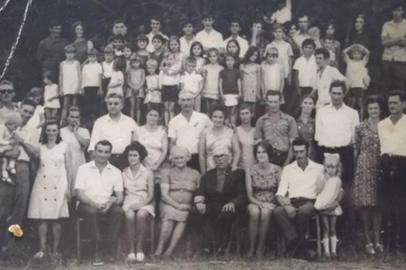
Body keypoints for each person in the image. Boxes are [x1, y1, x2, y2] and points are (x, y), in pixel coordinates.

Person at [27, 121, 72, 261]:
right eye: (49, 130)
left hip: (59, 183)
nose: (52, 133)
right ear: (45, 132)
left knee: (57, 219)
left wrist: (69, 188)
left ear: (58, 131)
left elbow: (69, 169)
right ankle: (42, 249)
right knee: (42, 217)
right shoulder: (40, 147)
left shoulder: (64, 146)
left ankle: (55, 250)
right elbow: (35, 167)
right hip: (42, 183)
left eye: (54, 130)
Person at [75, 140, 124, 265]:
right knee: (93, 212)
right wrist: (95, 205)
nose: (103, 155)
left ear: (110, 154)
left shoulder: (116, 171)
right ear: (94, 152)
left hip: (106, 205)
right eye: (100, 151)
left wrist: (110, 203)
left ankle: (109, 249)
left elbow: (120, 197)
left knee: (118, 212)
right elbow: (79, 194)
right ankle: (96, 251)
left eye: (106, 152)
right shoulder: (83, 169)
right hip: (87, 205)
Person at [0, 99, 39, 254]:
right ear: (19, 108)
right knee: (2, 208)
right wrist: (6, 152)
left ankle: (10, 249)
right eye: (25, 111)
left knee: (19, 209)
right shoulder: (3, 126)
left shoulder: (32, 131)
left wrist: (22, 142)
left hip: (23, 168)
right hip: (4, 167)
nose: (27, 115)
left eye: (31, 112)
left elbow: (35, 154)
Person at [274, 138, 324, 255]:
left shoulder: (319, 168)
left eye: (301, 151)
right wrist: (286, 206)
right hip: (292, 202)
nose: (298, 155)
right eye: (296, 152)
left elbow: (322, 191)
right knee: (278, 212)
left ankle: (295, 246)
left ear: (308, 151)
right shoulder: (288, 169)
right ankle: (299, 245)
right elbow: (280, 193)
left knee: (302, 211)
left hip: (310, 202)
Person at [194, 146, 246, 255]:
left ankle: (220, 247)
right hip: (211, 204)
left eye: (222, 156)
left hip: (229, 204)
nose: (220, 159)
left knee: (226, 213)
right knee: (199, 212)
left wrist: (233, 203)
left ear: (229, 157)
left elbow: (242, 194)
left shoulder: (238, 173)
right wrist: (199, 202)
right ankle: (208, 246)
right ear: (213, 159)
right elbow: (200, 191)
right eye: (216, 157)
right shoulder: (208, 175)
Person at [154, 146, 200, 257]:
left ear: (188, 158)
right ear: (172, 159)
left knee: (183, 215)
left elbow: (199, 193)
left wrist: (190, 206)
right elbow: (164, 195)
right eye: (176, 158)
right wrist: (178, 205)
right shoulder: (167, 173)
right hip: (168, 203)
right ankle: (159, 249)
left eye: (181, 158)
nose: (179, 160)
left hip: (187, 206)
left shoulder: (196, 174)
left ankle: (169, 251)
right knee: (170, 213)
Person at [352, 96, 383, 255]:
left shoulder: (385, 126)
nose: (373, 111)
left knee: (377, 204)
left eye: (375, 108)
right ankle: (367, 241)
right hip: (364, 166)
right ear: (367, 110)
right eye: (370, 108)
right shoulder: (360, 127)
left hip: (381, 165)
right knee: (364, 204)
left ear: (380, 109)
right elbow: (356, 149)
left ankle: (378, 240)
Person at [315, 81, 359, 188]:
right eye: (333, 93)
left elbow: (355, 138)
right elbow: (318, 136)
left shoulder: (352, 113)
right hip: (324, 152)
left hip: (344, 153)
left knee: (344, 186)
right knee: (324, 186)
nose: (336, 96)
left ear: (344, 94)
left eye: (339, 93)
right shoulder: (321, 112)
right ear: (329, 93)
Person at [377, 90, 406, 252]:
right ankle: (389, 245)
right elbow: (382, 148)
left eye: (395, 103)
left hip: (403, 166)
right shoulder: (382, 124)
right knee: (388, 206)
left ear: (403, 104)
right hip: (386, 165)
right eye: (390, 103)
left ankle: (403, 243)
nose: (392, 106)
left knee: (403, 205)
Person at [246, 141, 281, 258]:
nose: (261, 155)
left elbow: (280, 191)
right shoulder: (250, 170)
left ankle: (260, 248)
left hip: (272, 201)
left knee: (265, 213)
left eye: (264, 152)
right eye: (258, 152)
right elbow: (249, 196)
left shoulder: (277, 169)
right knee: (254, 212)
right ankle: (251, 248)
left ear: (269, 154)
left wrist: (271, 204)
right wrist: (261, 203)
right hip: (255, 201)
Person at [122, 142, 155, 263]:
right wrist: (131, 205)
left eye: (135, 155)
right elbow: (123, 192)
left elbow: (151, 195)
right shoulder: (124, 172)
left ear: (140, 156)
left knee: (141, 214)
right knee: (130, 215)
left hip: (144, 201)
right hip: (129, 200)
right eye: (130, 155)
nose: (132, 158)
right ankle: (131, 249)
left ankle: (139, 248)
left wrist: (140, 205)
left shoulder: (148, 172)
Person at [88, 94, 138, 169]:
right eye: (110, 104)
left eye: (116, 104)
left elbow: (136, 145)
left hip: (126, 162)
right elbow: (93, 147)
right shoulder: (100, 122)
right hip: (106, 160)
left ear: (122, 105)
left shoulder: (130, 122)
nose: (112, 106)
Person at [168, 90, 212, 171]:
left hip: (199, 157)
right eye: (183, 100)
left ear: (193, 102)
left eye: (189, 100)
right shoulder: (173, 121)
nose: (186, 103)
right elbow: (172, 143)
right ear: (179, 102)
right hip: (181, 159)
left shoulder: (203, 117)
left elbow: (213, 132)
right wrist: (173, 158)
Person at [254, 90, 297, 167]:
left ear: (280, 102)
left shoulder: (290, 120)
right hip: (268, 159)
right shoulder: (261, 121)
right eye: (270, 102)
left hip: (285, 157)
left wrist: (286, 164)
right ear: (267, 102)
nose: (273, 105)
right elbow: (258, 145)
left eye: (275, 102)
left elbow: (293, 145)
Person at [314, 154, 343, 258]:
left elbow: (336, 195)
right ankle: (326, 251)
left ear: (337, 168)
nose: (330, 170)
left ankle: (334, 251)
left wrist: (331, 205)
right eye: (328, 167)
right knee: (325, 227)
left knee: (332, 228)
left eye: (333, 167)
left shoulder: (338, 180)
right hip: (323, 205)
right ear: (324, 167)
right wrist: (324, 180)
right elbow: (317, 191)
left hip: (332, 206)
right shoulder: (321, 177)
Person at [199, 104, 240, 174]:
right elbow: (201, 155)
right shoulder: (205, 132)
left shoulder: (230, 132)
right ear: (211, 117)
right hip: (211, 170)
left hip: (227, 171)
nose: (217, 120)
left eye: (221, 117)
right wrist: (203, 173)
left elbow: (237, 151)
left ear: (225, 118)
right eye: (215, 117)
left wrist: (234, 165)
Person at [60, 107, 90, 198]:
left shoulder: (84, 131)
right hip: (65, 162)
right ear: (67, 118)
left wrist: (75, 132)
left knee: (78, 190)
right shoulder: (61, 131)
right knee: (65, 189)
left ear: (79, 119)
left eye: (77, 117)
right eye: (72, 117)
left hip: (79, 162)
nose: (74, 119)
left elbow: (85, 144)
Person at [381, 3, 406, 92]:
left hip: (401, 60)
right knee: (386, 86)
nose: (396, 13)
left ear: (403, 12)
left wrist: (390, 40)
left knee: (400, 87)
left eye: (399, 10)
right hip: (387, 59)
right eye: (395, 10)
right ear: (392, 12)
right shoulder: (386, 25)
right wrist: (399, 39)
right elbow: (384, 42)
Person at [343, 43, 370, 120]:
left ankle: (361, 119)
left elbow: (368, 52)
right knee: (351, 104)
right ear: (352, 54)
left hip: (359, 86)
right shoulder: (349, 61)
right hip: (351, 86)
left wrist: (361, 47)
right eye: (354, 53)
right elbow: (344, 52)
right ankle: (349, 118)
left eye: (358, 53)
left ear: (361, 55)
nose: (356, 55)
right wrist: (352, 46)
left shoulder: (362, 62)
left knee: (360, 104)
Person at [137, 106, 168, 172]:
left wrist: (157, 164)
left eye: (155, 116)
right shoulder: (138, 130)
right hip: (141, 164)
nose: (152, 117)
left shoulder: (162, 132)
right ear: (146, 116)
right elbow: (135, 149)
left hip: (158, 165)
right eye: (150, 115)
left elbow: (164, 151)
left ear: (159, 118)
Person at [59, 44, 81, 125]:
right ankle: (63, 121)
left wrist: (78, 87)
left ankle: (75, 122)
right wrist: (61, 88)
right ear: (65, 53)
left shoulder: (76, 63)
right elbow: (61, 76)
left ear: (74, 54)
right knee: (65, 105)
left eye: (71, 53)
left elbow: (79, 75)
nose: (70, 55)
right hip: (66, 86)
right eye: (68, 53)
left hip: (74, 85)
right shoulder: (62, 64)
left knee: (74, 104)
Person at [219, 54, 242, 126]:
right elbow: (220, 84)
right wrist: (221, 94)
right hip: (226, 94)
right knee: (226, 111)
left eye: (231, 60)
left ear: (234, 61)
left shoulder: (237, 71)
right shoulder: (222, 71)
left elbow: (239, 82)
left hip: (234, 94)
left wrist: (240, 93)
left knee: (233, 111)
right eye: (227, 60)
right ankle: (226, 127)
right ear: (225, 62)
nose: (229, 62)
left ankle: (233, 126)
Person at [0, 112, 22, 184]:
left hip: (7, 147)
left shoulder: (11, 130)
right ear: (9, 123)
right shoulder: (2, 128)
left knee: (16, 149)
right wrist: (8, 142)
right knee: (5, 159)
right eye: (15, 126)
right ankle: (5, 173)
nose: (15, 129)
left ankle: (10, 166)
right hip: (2, 147)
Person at [81, 48, 102, 122]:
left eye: (93, 57)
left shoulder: (98, 65)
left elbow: (99, 78)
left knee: (95, 103)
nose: (92, 58)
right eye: (90, 56)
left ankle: (95, 119)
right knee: (87, 103)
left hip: (95, 86)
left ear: (96, 57)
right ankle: (87, 119)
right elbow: (83, 77)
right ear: (88, 57)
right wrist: (82, 87)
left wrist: (100, 88)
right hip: (87, 86)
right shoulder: (85, 67)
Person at [159, 53, 181, 125]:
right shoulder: (162, 70)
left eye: (171, 59)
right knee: (166, 108)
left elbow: (178, 81)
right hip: (165, 88)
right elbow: (160, 80)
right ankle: (166, 124)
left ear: (174, 60)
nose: (169, 61)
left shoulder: (176, 70)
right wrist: (161, 89)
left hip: (173, 88)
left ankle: (171, 124)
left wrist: (177, 90)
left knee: (171, 108)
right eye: (167, 59)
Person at [240, 47, 261, 114]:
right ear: (249, 54)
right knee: (244, 107)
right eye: (252, 55)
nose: (254, 57)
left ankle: (252, 121)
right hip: (245, 88)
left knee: (253, 109)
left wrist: (258, 92)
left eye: (256, 55)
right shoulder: (242, 66)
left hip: (253, 88)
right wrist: (241, 91)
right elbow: (241, 79)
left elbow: (259, 80)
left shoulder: (258, 66)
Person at [202, 48, 223, 113]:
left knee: (214, 108)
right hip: (207, 89)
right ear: (208, 58)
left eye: (214, 56)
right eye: (210, 56)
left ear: (217, 57)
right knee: (207, 109)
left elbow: (220, 82)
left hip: (215, 91)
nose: (212, 58)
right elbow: (203, 79)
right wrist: (202, 89)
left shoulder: (221, 68)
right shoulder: (205, 67)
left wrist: (220, 92)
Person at [126, 56, 145, 122]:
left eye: (137, 62)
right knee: (132, 106)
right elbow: (128, 80)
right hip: (131, 89)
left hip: (140, 89)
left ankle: (138, 122)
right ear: (131, 63)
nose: (135, 64)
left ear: (140, 63)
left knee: (138, 107)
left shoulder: (142, 70)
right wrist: (133, 87)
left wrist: (138, 87)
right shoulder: (129, 70)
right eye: (134, 62)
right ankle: (132, 121)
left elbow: (143, 80)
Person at [236, 105, 255, 170]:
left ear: (251, 114)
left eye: (247, 113)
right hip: (240, 167)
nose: (244, 116)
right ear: (239, 116)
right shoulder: (236, 130)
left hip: (254, 166)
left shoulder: (255, 130)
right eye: (242, 114)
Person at [296, 96, 316, 160]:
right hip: (298, 152)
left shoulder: (315, 122)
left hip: (311, 153)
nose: (307, 105)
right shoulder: (295, 121)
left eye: (310, 103)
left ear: (314, 106)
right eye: (305, 103)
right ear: (301, 105)